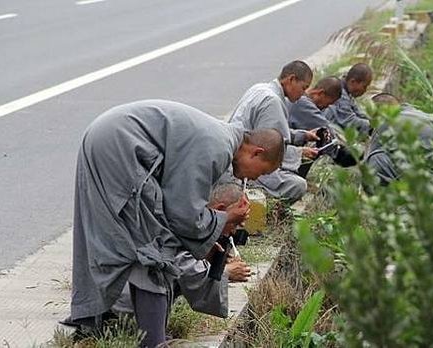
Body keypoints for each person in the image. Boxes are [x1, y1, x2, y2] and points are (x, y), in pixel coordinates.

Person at [70, 100, 284, 348]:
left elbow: (175, 209)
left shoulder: (220, 139)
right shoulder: (218, 147)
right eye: (262, 171)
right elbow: (183, 214)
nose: (254, 178)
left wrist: (209, 235)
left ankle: (101, 326)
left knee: (121, 241)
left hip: (109, 139)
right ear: (256, 152)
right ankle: (154, 342)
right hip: (121, 147)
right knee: (154, 251)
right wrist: (225, 221)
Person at [112, 183, 252, 320]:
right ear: (220, 210)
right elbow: (185, 268)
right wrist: (225, 272)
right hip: (125, 301)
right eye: (234, 222)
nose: (233, 231)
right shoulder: (188, 221)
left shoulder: (196, 219)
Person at [228, 60, 319, 203]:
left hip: (240, 151)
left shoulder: (260, 88)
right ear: (291, 79)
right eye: (303, 87)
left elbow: (264, 133)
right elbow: (270, 150)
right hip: (245, 162)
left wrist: (302, 135)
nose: (303, 94)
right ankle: (267, 209)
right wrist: (300, 153)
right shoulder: (273, 101)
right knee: (298, 185)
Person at [364, 93, 433, 190]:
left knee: (375, 161)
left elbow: (371, 154)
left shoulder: (384, 122)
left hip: (429, 181)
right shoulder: (420, 114)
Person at [323, 63, 373, 134]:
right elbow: (348, 120)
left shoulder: (347, 92)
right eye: (364, 86)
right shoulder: (339, 92)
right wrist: (372, 125)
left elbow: (358, 112)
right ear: (353, 82)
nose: (365, 90)